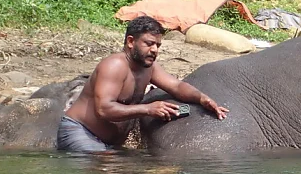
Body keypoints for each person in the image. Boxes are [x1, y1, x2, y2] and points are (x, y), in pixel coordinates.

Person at [56, 16, 229, 153]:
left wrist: (202, 98)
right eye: (149, 43)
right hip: (80, 132)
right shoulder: (114, 65)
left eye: (158, 45)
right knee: (113, 169)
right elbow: (103, 109)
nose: (155, 50)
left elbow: (176, 86)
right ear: (131, 42)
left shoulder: (148, 68)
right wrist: (148, 109)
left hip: (109, 142)